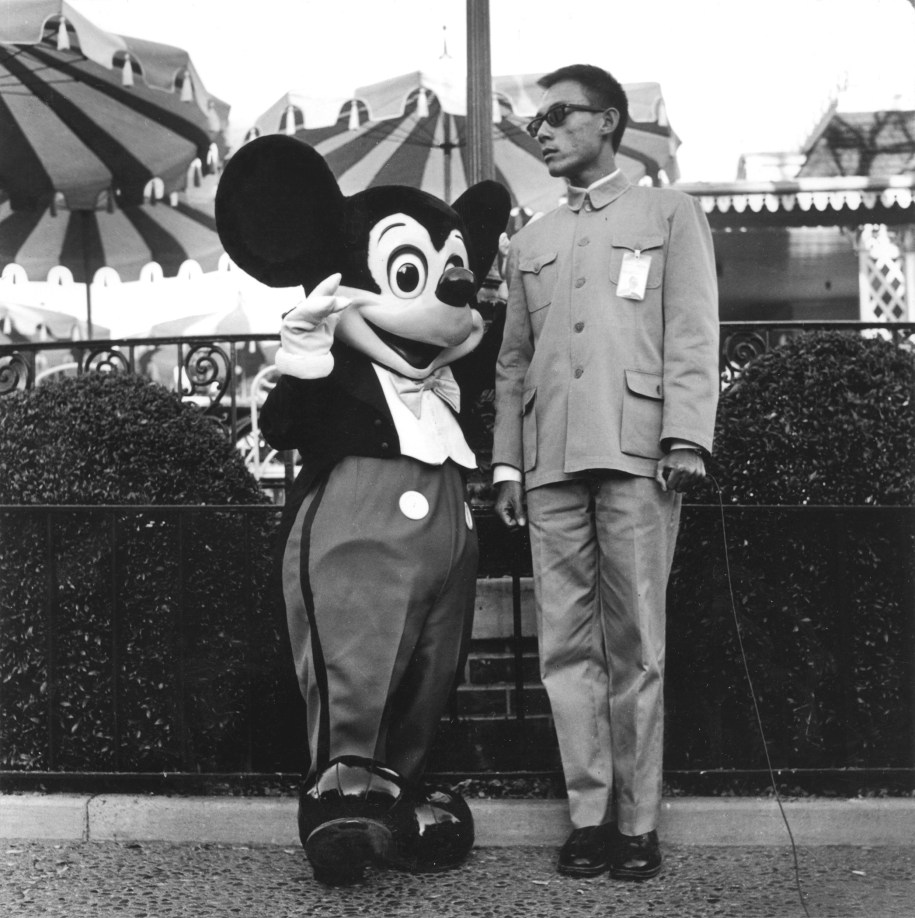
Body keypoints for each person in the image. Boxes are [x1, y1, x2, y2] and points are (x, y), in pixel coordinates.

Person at [492, 64, 719, 881]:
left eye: (558, 115)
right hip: (550, 463)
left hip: (636, 456)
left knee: (637, 647)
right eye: (535, 121)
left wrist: (686, 436)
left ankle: (638, 823)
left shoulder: (668, 212)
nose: (541, 131)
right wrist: (509, 462)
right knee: (564, 649)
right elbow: (512, 364)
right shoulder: (530, 238)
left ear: (610, 122)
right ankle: (587, 818)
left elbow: (692, 331)